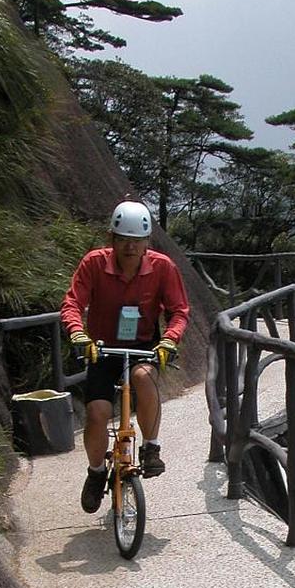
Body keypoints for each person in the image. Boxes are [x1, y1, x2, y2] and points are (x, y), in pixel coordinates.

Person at [60, 200, 190, 513]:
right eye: (123, 240)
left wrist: (169, 340)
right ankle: (95, 473)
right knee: (97, 414)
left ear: (147, 242)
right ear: (112, 239)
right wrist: (79, 334)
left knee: (143, 379)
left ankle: (150, 447)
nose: (130, 248)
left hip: (144, 347)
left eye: (137, 241)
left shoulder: (163, 268)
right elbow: (72, 304)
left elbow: (179, 311)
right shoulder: (94, 264)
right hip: (102, 349)